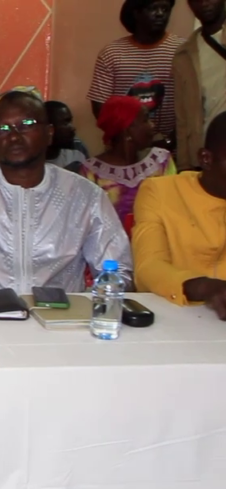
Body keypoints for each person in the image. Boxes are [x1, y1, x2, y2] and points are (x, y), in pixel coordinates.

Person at [0, 91, 133, 294]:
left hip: (60, 317)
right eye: (2, 129)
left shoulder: (84, 196)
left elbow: (117, 271)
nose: (13, 136)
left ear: (49, 133)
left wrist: (86, 305)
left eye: (26, 125)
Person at [133, 111, 226, 317]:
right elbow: (148, 267)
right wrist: (205, 287)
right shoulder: (161, 192)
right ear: (206, 159)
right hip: (174, 318)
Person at [87, 0, 183, 150]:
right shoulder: (112, 54)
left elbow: (192, 106)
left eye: (165, 9)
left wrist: (169, 141)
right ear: (136, 13)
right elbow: (100, 107)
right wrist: (127, 139)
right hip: (124, 151)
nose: (160, 14)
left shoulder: (182, 51)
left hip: (171, 150)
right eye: (153, 8)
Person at [80, 95, 176, 223]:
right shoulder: (91, 173)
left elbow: (174, 209)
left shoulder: (161, 161)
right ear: (127, 130)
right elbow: (87, 222)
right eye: (146, 120)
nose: (152, 125)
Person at [173, 0, 226, 170]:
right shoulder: (184, 55)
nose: (204, 3)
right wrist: (184, 166)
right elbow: (182, 119)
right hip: (207, 156)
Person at [44, 101, 88, 172]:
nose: (72, 128)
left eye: (70, 121)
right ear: (49, 128)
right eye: (65, 123)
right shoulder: (31, 158)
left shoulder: (78, 148)